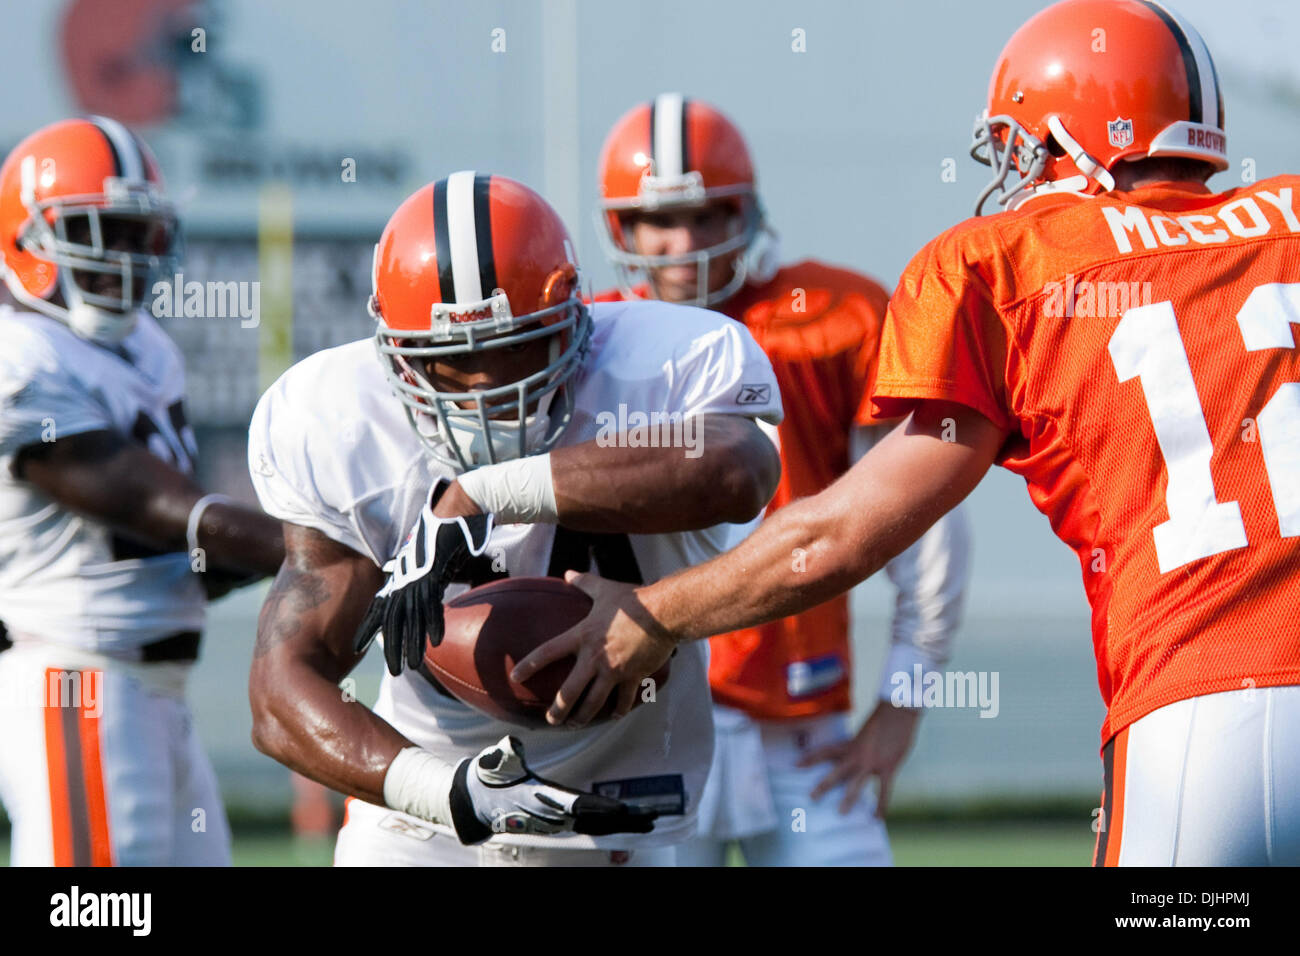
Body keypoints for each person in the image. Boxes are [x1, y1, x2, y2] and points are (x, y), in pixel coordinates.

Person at [517, 0, 1300, 866]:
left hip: (1209, 700)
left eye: (1018, 146)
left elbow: (845, 534)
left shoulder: (1004, 264)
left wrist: (656, 616)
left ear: (1065, 144)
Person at [246, 171, 783, 866]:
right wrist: (450, 795)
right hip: (422, 820)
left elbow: (739, 470)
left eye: (516, 347)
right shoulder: (343, 420)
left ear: (575, 322)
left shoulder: (660, 367)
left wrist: (485, 491)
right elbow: (281, 688)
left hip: (614, 816)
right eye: (452, 359)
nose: (484, 384)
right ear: (396, 357)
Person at [593, 94, 970, 865]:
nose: (684, 241)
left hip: (801, 727)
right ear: (620, 228)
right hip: (637, 721)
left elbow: (921, 520)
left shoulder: (834, 315)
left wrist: (903, 701)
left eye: (708, 214)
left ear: (748, 212)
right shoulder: (594, 336)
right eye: (660, 220)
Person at [0, 116, 284, 866]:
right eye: (100, 231)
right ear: (28, 239)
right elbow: (149, 504)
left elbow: (185, 550)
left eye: (137, 233)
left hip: (154, 685)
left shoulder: (142, 350)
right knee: (95, 915)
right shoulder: (17, 353)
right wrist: (319, 547)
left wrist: (309, 573)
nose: (124, 257)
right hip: (77, 678)